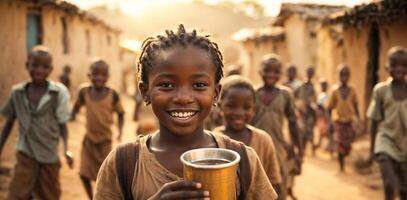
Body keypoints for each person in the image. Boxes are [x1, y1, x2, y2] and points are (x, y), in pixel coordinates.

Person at [94, 24, 277, 200]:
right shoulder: (124, 163)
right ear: (145, 91)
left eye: (199, 85)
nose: (183, 97)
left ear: (216, 93)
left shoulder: (243, 161)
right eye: (166, 85)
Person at [0, 45, 73, 200]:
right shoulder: (17, 93)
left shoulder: (58, 93)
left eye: (45, 67)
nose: (39, 70)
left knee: (49, 195)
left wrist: (66, 149)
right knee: (17, 194)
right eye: (35, 65)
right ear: (27, 65)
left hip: (49, 156)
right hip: (25, 154)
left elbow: (63, 126)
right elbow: (8, 122)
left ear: (51, 69)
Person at [213, 75, 283, 199]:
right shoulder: (214, 139)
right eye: (231, 106)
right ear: (220, 106)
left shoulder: (263, 140)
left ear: (254, 109)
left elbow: (274, 182)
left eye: (246, 107)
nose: (239, 113)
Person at [71, 59, 125, 199]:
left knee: (105, 175)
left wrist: (120, 131)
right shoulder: (84, 92)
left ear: (108, 76)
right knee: (83, 174)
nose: (99, 78)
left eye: (103, 75)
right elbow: (76, 106)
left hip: (105, 142)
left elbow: (121, 113)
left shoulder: (112, 94)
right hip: (89, 140)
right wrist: (71, 115)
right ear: (89, 75)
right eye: (95, 74)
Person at [251, 54, 303, 200]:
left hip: (278, 148)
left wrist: (299, 149)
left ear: (281, 74)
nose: (271, 75)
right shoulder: (253, 93)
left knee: (279, 185)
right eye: (267, 70)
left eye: (276, 72)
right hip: (256, 147)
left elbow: (292, 122)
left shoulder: (285, 94)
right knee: (254, 185)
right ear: (260, 71)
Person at [367, 47, 407, 200]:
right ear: (387, 66)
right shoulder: (380, 90)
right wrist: (372, 150)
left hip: (405, 143)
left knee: (404, 191)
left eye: (403, 65)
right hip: (386, 141)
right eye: (394, 65)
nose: (398, 69)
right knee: (390, 184)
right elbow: (374, 119)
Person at [326, 65, 360, 172]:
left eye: (346, 75)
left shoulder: (353, 90)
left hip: (349, 121)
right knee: (340, 144)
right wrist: (330, 121)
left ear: (349, 76)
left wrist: (358, 119)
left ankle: (343, 157)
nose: (343, 77)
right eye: (341, 75)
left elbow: (356, 105)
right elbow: (329, 107)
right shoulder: (335, 91)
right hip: (338, 122)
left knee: (347, 145)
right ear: (338, 76)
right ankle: (341, 166)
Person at [295, 66, 317, 155]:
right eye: (309, 72)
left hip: (310, 112)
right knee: (302, 131)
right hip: (302, 112)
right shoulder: (301, 85)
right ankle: (302, 149)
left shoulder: (313, 86)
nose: (310, 75)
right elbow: (295, 95)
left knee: (310, 131)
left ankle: (310, 150)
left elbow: (315, 98)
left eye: (312, 73)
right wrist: (299, 104)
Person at [315, 79, 333, 153]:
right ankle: (316, 148)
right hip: (322, 118)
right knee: (322, 134)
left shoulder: (328, 95)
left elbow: (329, 107)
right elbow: (320, 107)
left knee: (327, 133)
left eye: (325, 85)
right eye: (323, 85)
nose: (324, 87)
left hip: (327, 117)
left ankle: (328, 149)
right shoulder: (321, 96)